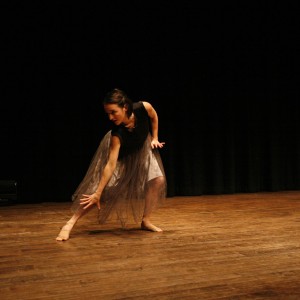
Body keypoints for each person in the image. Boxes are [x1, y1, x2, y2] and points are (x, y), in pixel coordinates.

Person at [56, 88, 167, 241]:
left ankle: (145, 220)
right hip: (121, 156)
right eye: (108, 113)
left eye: (113, 112)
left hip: (141, 147)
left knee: (158, 180)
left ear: (125, 107)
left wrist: (155, 137)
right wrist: (98, 193)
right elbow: (111, 164)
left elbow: (153, 116)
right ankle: (70, 223)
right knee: (101, 191)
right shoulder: (117, 134)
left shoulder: (143, 107)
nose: (110, 117)